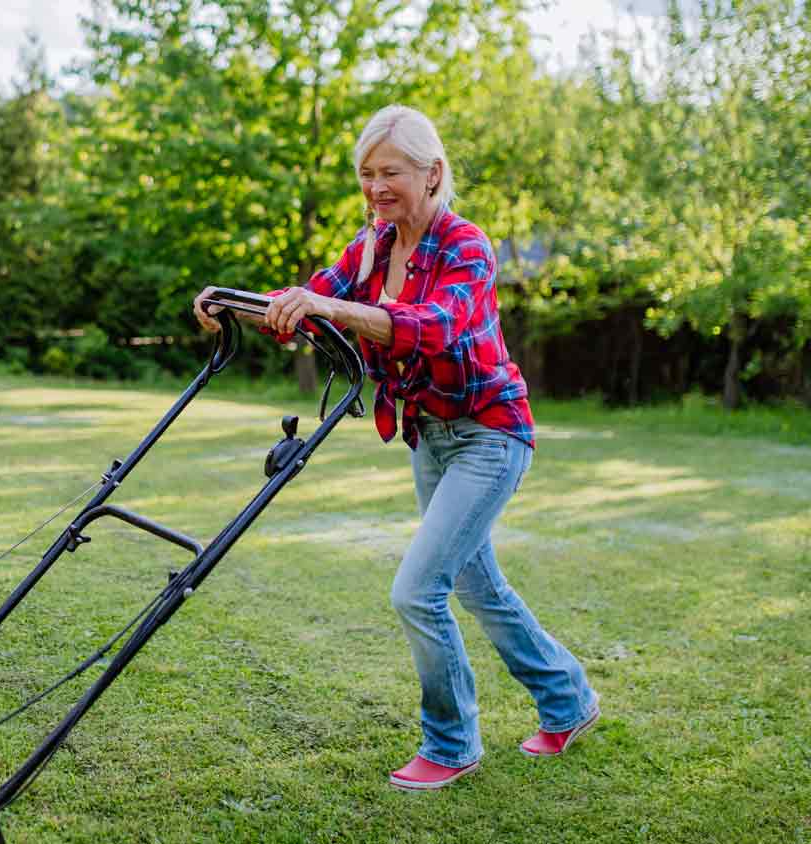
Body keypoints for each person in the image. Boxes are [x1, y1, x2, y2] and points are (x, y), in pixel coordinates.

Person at [193, 105, 599, 791]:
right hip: (429, 439)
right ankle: (568, 699)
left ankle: (450, 744)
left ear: (432, 173)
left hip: (490, 435)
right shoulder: (373, 246)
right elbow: (310, 298)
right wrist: (235, 304)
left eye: (391, 173)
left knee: (418, 591)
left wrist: (331, 311)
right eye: (366, 174)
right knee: (480, 586)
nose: (377, 187)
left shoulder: (467, 245)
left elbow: (429, 328)